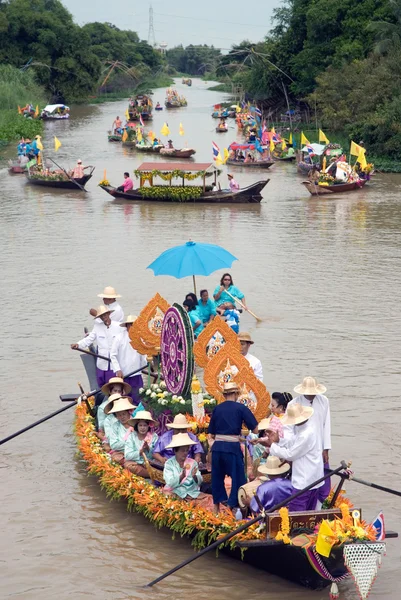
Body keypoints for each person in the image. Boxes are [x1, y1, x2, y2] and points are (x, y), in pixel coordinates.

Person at [208, 382, 258, 513]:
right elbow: (256, 429)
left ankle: (216, 507)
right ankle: (231, 506)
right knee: (238, 477)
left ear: (224, 395)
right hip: (232, 449)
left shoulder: (217, 409)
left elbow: (212, 434)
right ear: (236, 394)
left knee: (217, 477)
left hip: (218, 448)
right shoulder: (241, 408)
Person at [266, 403, 323, 511]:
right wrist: (279, 440)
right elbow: (294, 442)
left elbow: (291, 455)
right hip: (312, 478)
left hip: (304, 480)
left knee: (297, 513)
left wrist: (272, 446)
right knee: (308, 514)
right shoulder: (305, 428)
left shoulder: (305, 434)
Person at [290, 376, 331, 505]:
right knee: (302, 480)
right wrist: (292, 448)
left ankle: (318, 506)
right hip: (301, 446)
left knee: (322, 479)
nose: (311, 395)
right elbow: (289, 428)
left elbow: (326, 425)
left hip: (318, 446)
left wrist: (326, 448)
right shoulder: (294, 404)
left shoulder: (324, 401)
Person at [71, 305, 122, 388]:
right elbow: (89, 339)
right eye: (101, 316)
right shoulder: (97, 327)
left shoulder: (119, 326)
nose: (104, 317)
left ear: (109, 314)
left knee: (114, 386)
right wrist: (78, 344)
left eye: (105, 315)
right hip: (102, 362)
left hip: (114, 364)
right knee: (102, 386)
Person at [163, 433, 214, 508]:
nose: (185, 453)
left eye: (187, 450)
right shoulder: (169, 463)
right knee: (168, 497)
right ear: (175, 451)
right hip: (176, 492)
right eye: (182, 451)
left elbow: (200, 480)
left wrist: (195, 477)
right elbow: (169, 482)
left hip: (192, 493)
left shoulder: (192, 462)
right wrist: (181, 477)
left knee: (211, 500)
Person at [110, 315, 147, 402]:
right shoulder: (119, 338)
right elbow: (113, 355)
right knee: (123, 399)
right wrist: (117, 369)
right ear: (127, 326)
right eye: (131, 325)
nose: (132, 327)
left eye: (134, 325)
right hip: (123, 375)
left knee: (137, 399)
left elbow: (143, 355)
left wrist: (146, 364)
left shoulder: (140, 338)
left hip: (136, 374)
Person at [101, 396, 136, 464]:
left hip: (137, 452)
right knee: (116, 458)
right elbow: (114, 445)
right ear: (116, 416)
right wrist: (129, 443)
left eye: (124, 414)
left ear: (129, 412)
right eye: (119, 415)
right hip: (121, 453)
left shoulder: (137, 423)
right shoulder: (115, 426)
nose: (122, 417)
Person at [124, 411, 158, 477]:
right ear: (137, 426)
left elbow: (156, 454)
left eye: (145, 425)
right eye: (140, 425)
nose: (142, 428)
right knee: (128, 466)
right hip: (135, 463)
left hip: (150, 464)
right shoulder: (131, 436)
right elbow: (127, 455)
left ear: (149, 426)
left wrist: (148, 449)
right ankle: (152, 475)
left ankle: (152, 474)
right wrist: (140, 452)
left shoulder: (154, 436)